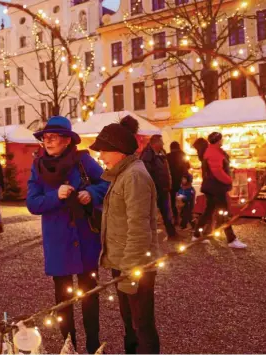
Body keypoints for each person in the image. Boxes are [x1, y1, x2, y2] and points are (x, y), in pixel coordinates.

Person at [27, 116, 109, 354]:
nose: (47, 141)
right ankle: (68, 345)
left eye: (53, 137)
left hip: (84, 237)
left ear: (66, 140)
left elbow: (108, 182)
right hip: (58, 241)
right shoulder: (38, 165)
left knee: (89, 294)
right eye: (45, 137)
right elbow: (32, 203)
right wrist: (56, 195)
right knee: (63, 299)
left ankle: (93, 344)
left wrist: (91, 193)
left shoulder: (83, 160)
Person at [89, 116, 161, 354]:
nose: (101, 157)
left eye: (104, 152)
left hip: (135, 264)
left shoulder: (134, 176)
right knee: (131, 323)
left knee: (142, 325)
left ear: (119, 151)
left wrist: (131, 273)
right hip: (125, 262)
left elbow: (139, 228)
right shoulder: (122, 173)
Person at [192, 133, 247, 248]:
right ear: (218, 140)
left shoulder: (212, 151)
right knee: (224, 212)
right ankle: (231, 239)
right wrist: (229, 180)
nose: (223, 140)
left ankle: (196, 235)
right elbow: (217, 171)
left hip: (211, 186)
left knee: (209, 211)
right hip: (216, 187)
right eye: (222, 139)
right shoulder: (213, 153)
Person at [140, 135, 177, 240]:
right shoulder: (147, 155)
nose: (163, 144)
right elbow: (146, 174)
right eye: (161, 142)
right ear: (155, 143)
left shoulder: (162, 152)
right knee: (150, 214)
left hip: (163, 189)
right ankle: (146, 237)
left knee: (167, 212)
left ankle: (172, 234)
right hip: (154, 190)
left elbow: (165, 170)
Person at [166, 141, 190, 225]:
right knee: (185, 199)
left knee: (172, 200)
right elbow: (188, 166)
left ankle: (175, 217)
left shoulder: (167, 156)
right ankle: (184, 218)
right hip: (182, 181)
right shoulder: (183, 155)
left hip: (172, 181)